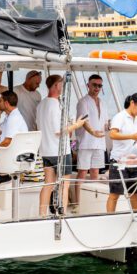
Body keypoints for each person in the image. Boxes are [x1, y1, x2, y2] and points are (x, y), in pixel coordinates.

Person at [37, 75, 86, 217]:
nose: (63, 87)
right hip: (60, 151)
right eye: (61, 84)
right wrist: (76, 125)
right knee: (64, 184)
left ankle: (41, 214)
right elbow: (59, 131)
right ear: (56, 86)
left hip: (46, 150)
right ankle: (62, 214)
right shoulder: (55, 105)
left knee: (48, 184)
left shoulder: (41, 105)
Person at [107, 93, 137, 213]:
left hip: (134, 161)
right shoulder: (120, 117)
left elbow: (136, 140)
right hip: (119, 161)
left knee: (134, 193)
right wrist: (131, 136)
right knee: (115, 193)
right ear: (132, 103)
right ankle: (109, 218)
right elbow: (112, 134)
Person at [75, 75, 107, 203]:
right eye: (94, 85)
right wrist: (93, 132)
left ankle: (92, 203)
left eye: (100, 85)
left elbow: (105, 122)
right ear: (88, 85)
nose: (97, 88)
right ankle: (77, 203)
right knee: (82, 173)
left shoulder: (103, 103)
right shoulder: (83, 102)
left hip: (99, 143)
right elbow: (83, 121)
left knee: (95, 173)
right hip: (86, 142)